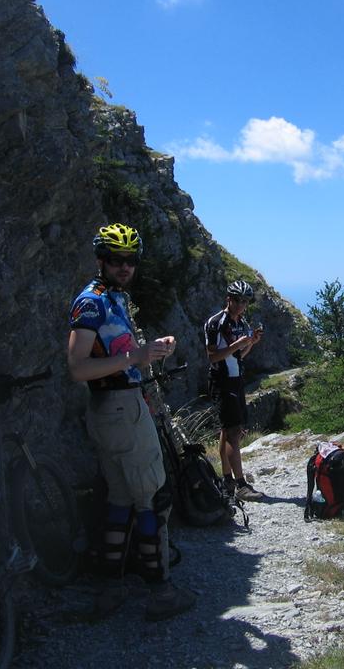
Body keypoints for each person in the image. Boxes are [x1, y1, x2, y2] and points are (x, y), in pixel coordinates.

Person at [67, 222, 195, 620]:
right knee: (152, 497)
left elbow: (124, 352)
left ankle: (112, 586)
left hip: (116, 407)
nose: (125, 267)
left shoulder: (113, 298)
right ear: (100, 260)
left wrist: (152, 350)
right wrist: (137, 357)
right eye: (116, 260)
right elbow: (77, 367)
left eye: (131, 260)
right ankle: (161, 592)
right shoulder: (91, 303)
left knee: (121, 497)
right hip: (120, 407)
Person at [204, 280, 265, 501]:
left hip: (236, 379)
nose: (241, 305)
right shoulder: (216, 323)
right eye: (238, 300)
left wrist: (251, 343)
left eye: (246, 301)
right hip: (222, 380)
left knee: (228, 430)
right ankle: (240, 485)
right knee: (233, 433)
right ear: (228, 298)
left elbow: (238, 356)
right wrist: (236, 345)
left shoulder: (242, 321)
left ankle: (227, 479)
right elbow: (212, 357)